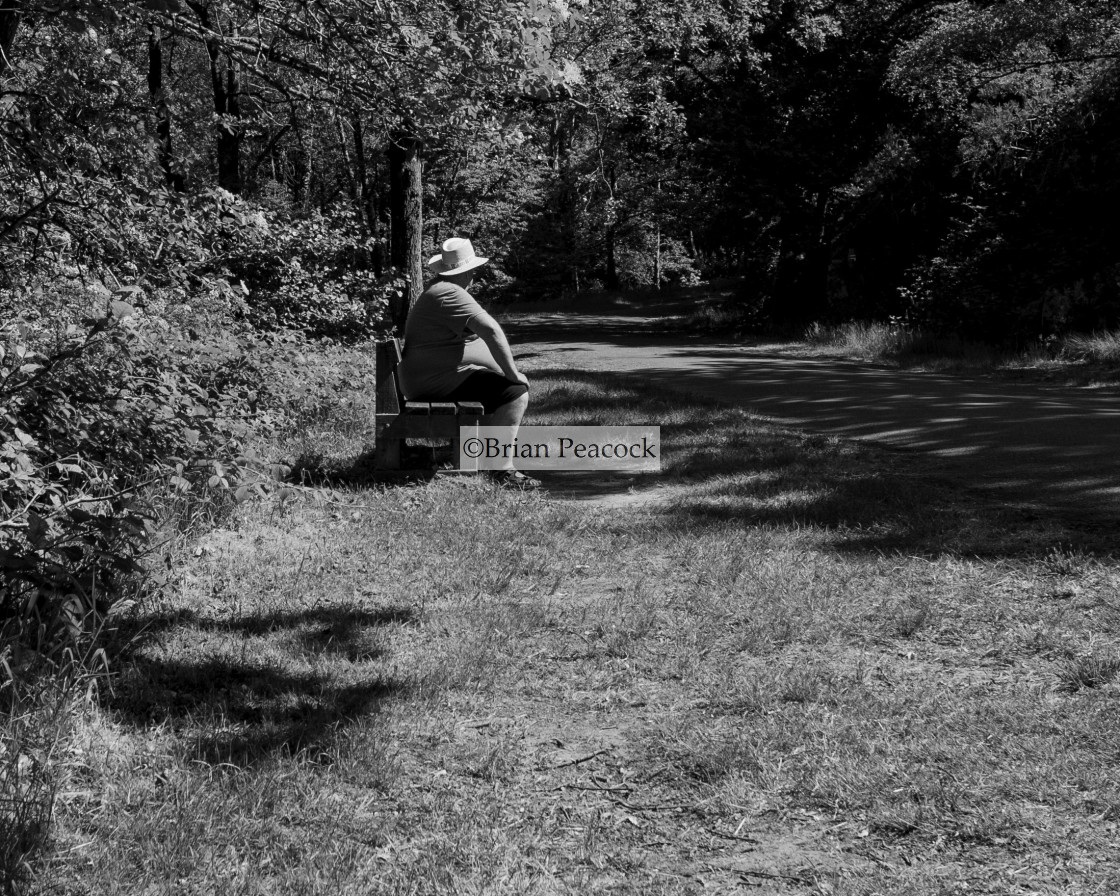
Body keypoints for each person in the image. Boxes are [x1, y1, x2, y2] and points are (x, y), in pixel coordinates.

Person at [397, 238, 540, 489]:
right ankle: (501, 469)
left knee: (495, 390)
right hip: (433, 381)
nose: (474, 274)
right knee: (514, 393)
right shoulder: (450, 293)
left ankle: (480, 454)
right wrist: (512, 373)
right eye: (472, 269)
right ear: (466, 271)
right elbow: (492, 331)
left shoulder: (441, 289)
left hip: (430, 377)